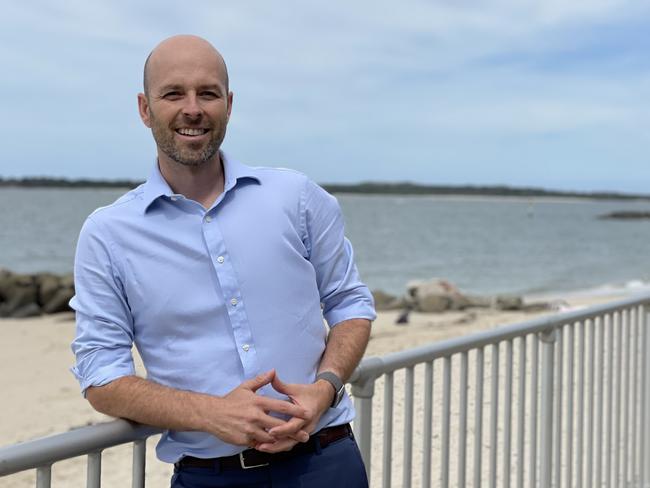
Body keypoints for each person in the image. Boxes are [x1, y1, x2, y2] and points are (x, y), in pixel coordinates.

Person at [70, 34, 376, 487]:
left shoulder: (297, 198)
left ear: (228, 105)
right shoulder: (108, 234)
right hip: (209, 478)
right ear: (144, 108)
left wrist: (324, 387)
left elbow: (350, 304)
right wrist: (211, 413)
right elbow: (101, 375)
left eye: (207, 93)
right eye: (173, 93)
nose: (192, 108)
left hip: (326, 461)